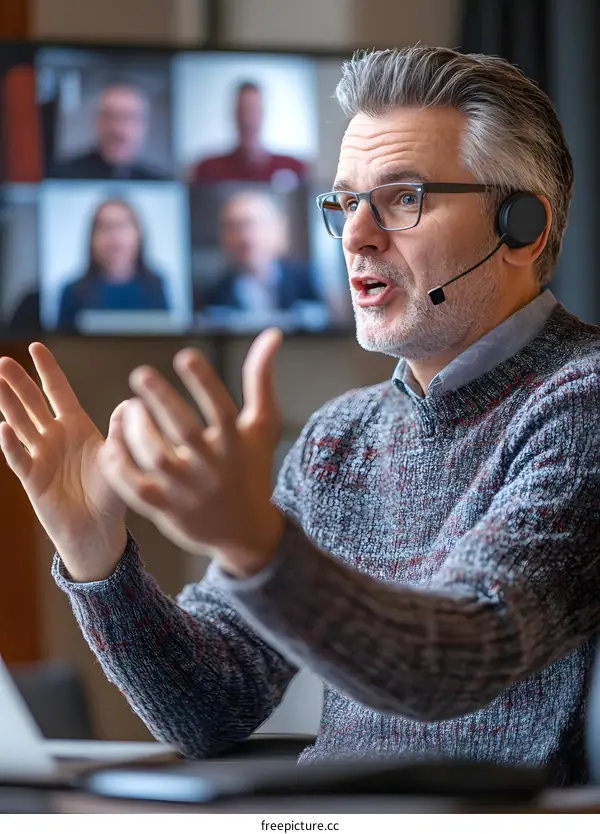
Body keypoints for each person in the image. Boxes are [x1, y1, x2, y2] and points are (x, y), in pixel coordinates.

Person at [1, 46, 599, 786]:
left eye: (404, 198)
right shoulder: (339, 436)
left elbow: (457, 659)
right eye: (347, 202)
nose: (356, 235)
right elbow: (208, 709)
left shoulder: (581, 404)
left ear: (522, 228)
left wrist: (260, 547)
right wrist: (97, 558)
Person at [196, 191, 319, 315]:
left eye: (252, 224)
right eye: (234, 227)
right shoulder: (213, 294)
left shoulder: (309, 280)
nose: (244, 236)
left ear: (276, 228)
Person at [55, 198, 168, 332]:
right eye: (105, 227)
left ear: (138, 234)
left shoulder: (155, 285)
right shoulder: (73, 291)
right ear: (92, 238)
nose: (114, 237)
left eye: (122, 226)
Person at [191, 81, 308, 185]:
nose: (247, 120)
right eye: (243, 110)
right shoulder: (209, 169)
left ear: (262, 114)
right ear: (234, 115)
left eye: (253, 110)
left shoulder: (293, 167)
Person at [50, 83, 168, 180]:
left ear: (143, 126)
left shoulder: (161, 182)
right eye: (109, 116)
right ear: (96, 121)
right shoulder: (63, 176)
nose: (117, 128)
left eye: (127, 117)